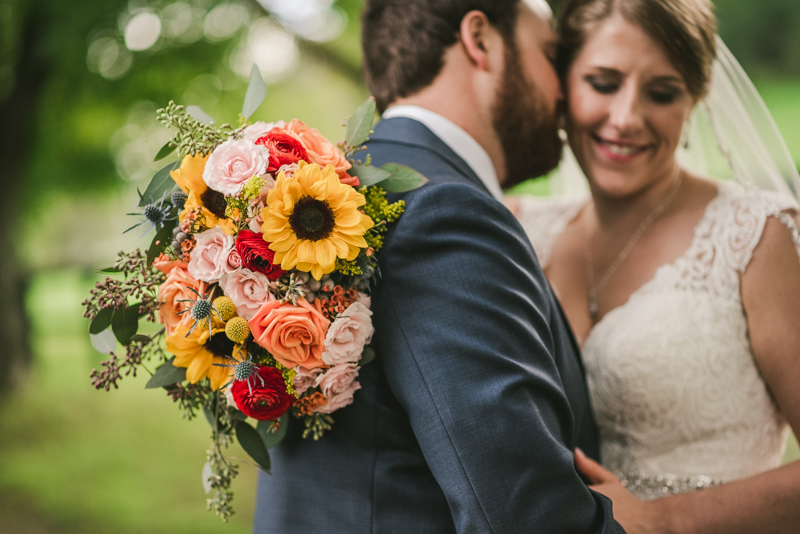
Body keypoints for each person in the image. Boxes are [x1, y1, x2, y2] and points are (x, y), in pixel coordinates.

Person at [252, 0, 624, 532]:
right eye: (549, 55)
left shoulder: (334, 196)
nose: (565, 93)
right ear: (480, 39)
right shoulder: (444, 210)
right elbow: (524, 516)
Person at [509, 0, 800, 532]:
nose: (626, 118)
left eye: (662, 93)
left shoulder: (757, 236)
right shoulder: (519, 231)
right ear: (563, 84)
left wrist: (662, 520)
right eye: (602, 83)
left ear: (695, 102)